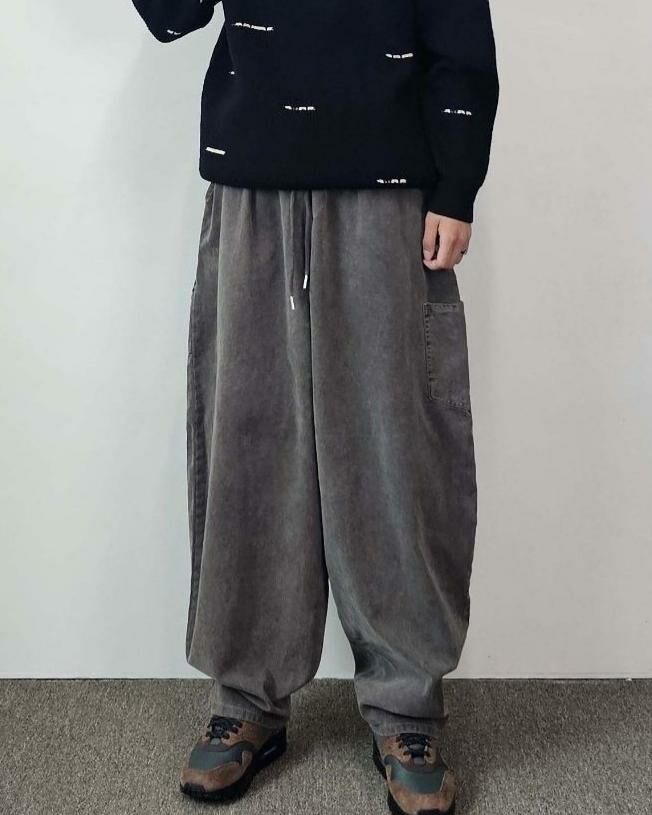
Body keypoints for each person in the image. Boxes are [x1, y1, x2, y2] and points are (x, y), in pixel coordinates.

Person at [131, 1, 499, 812]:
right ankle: (247, 697)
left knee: (392, 449)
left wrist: (457, 185)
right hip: (252, 180)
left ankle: (407, 707)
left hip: (389, 186)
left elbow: (460, 37)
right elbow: (171, 15)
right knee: (248, 438)